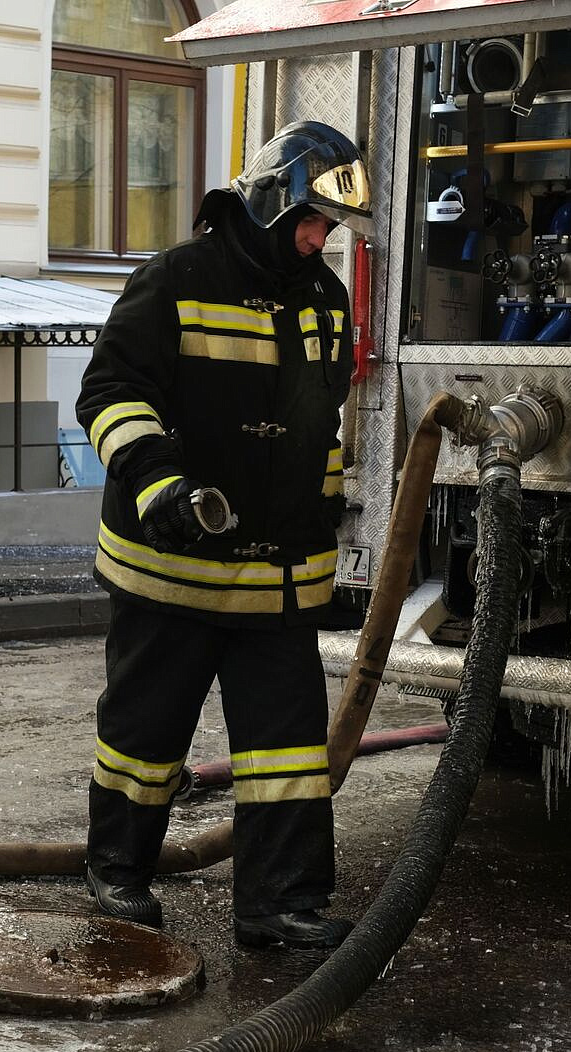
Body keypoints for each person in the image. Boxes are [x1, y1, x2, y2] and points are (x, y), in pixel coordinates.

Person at [76, 121, 372, 949]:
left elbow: (321, 429)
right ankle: (119, 875)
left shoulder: (324, 298)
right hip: (168, 571)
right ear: (276, 197)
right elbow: (109, 393)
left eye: (332, 228)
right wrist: (162, 485)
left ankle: (279, 906)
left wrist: (326, 555)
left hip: (278, 581)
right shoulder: (176, 278)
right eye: (312, 219)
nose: (320, 240)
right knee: (143, 738)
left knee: (286, 755)